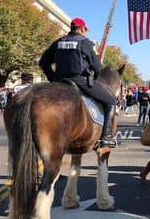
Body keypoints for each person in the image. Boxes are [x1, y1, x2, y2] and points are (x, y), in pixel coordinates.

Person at [39, 17, 117, 148]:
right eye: (85, 30)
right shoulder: (85, 43)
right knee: (111, 101)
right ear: (81, 29)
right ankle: (106, 137)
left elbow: (43, 62)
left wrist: (52, 78)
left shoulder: (58, 42)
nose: (85, 32)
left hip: (59, 82)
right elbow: (97, 67)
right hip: (80, 81)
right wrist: (93, 79)